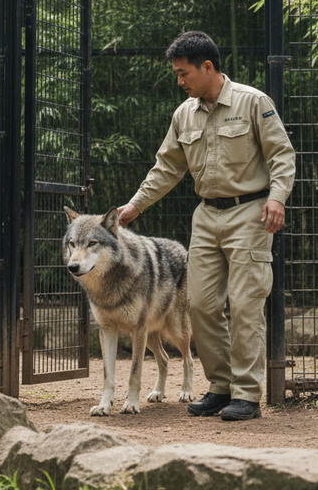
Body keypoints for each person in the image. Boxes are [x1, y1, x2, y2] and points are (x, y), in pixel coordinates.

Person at [118, 31, 295, 421]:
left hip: (250, 213)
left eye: (183, 73)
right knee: (200, 305)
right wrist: (133, 206)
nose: (179, 81)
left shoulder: (252, 102)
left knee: (246, 304)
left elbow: (282, 154)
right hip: (206, 216)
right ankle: (221, 386)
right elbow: (166, 168)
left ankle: (247, 394)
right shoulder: (184, 114)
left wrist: (277, 197)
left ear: (208, 67)